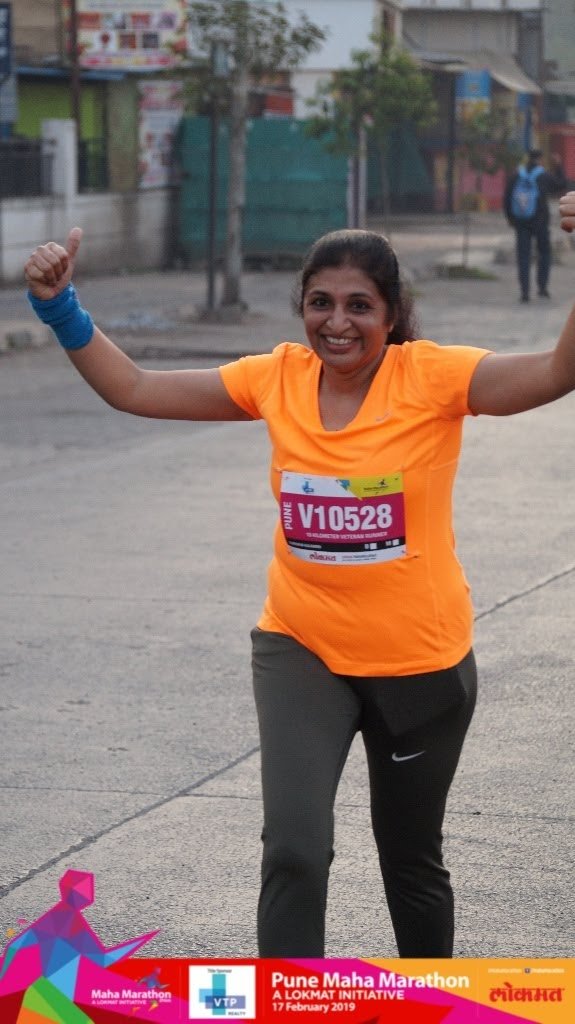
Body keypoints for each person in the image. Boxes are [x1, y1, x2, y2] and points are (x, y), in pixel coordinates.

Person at [24, 193, 575, 958]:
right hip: (301, 648)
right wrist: (60, 309)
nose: (336, 322)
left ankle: (429, 1006)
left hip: (419, 662)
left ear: (391, 315)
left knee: (409, 861)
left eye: (358, 305)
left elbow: (554, 372)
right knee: (294, 849)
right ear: (301, 307)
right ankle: (290, 1004)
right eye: (320, 303)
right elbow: (137, 389)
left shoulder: (432, 376)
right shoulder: (276, 377)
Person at [504, 148, 567, 303]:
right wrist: (558, 166)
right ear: (540, 159)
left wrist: (510, 218)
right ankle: (542, 288)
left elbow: (506, 198)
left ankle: (524, 292)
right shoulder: (543, 175)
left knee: (523, 256)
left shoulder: (516, 175)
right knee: (544, 253)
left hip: (521, 222)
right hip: (540, 222)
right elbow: (561, 185)